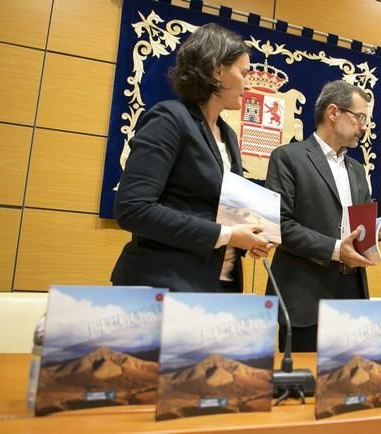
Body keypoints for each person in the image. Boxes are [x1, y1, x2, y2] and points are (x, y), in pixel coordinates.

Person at [111, 23, 273, 293]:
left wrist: (251, 236)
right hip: (164, 285)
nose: (248, 82)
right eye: (243, 72)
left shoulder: (228, 134)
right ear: (218, 70)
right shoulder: (169, 119)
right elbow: (132, 209)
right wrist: (228, 234)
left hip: (217, 288)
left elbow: (218, 210)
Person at [265, 80, 375, 352]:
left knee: (350, 386)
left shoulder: (358, 170)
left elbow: (355, 226)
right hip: (304, 296)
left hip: (352, 295)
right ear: (334, 112)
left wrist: (370, 233)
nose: (364, 127)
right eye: (360, 117)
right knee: (306, 389)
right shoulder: (288, 158)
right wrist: (337, 250)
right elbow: (280, 225)